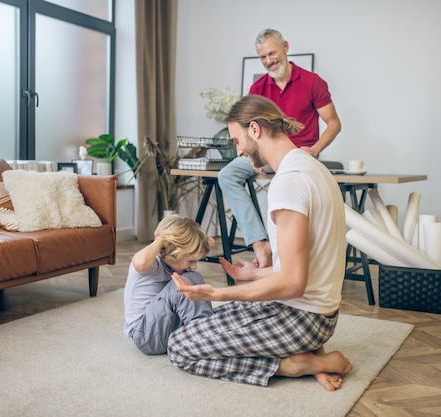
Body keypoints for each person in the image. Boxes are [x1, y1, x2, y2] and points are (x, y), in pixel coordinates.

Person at [168, 95, 352, 391]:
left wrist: (219, 293)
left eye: (237, 141)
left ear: (255, 129)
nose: (239, 152)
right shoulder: (313, 168)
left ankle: (294, 364)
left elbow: (293, 283)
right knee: (206, 321)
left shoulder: (289, 181)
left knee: (179, 346)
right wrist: (255, 275)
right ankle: (310, 353)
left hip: (300, 318)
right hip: (316, 314)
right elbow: (308, 262)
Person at [218, 28, 342, 268]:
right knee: (227, 175)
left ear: (285, 47)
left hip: (299, 156)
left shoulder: (312, 82)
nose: (268, 61)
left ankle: (295, 256)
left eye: (272, 53)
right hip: (265, 154)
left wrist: (315, 150)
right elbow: (247, 132)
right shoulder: (258, 88)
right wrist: (254, 158)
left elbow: (334, 124)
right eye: (262, 57)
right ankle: (259, 244)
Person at [123, 214, 215, 355]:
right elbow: (139, 263)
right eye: (190, 261)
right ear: (172, 252)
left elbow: (210, 242)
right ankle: (206, 336)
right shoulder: (152, 263)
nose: (194, 266)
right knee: (189, 278)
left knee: (190, 278)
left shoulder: (175, 261)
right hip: (145, 335)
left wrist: (183, 227)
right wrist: (161, 238)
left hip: (165, 328)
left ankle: (205, 328)